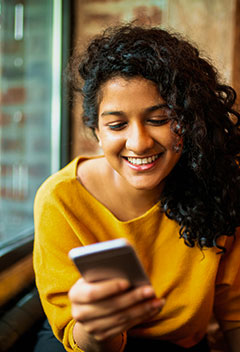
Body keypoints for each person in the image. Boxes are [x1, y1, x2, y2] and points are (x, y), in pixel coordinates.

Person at [33, 23, 240, 352]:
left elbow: (234, 313)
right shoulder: (61, 199)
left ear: (189, 119)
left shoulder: (217, 183)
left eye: (159, 119)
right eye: (117, 125)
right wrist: (99, 326)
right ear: (97, 132)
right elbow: (75, 335)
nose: (139, 143)